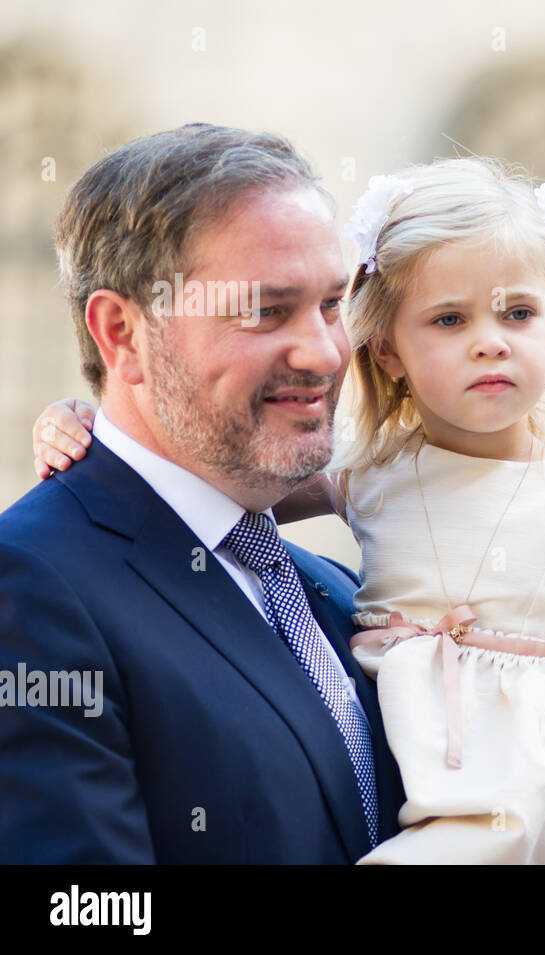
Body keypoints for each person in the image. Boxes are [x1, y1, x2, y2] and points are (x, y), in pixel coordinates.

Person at [35, 157, 545, 864]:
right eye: (450, 318)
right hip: (445, 823)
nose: (490, 339)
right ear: (386, 350)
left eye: (518, 313)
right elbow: (203, 483)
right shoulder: (372, 479)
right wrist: (88, 427)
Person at [2, 124, 403, 863]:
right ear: (122, 333)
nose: (322, 352)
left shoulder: (339, 593)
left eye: (329, 304)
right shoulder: (27, 588)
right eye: (264, 310)